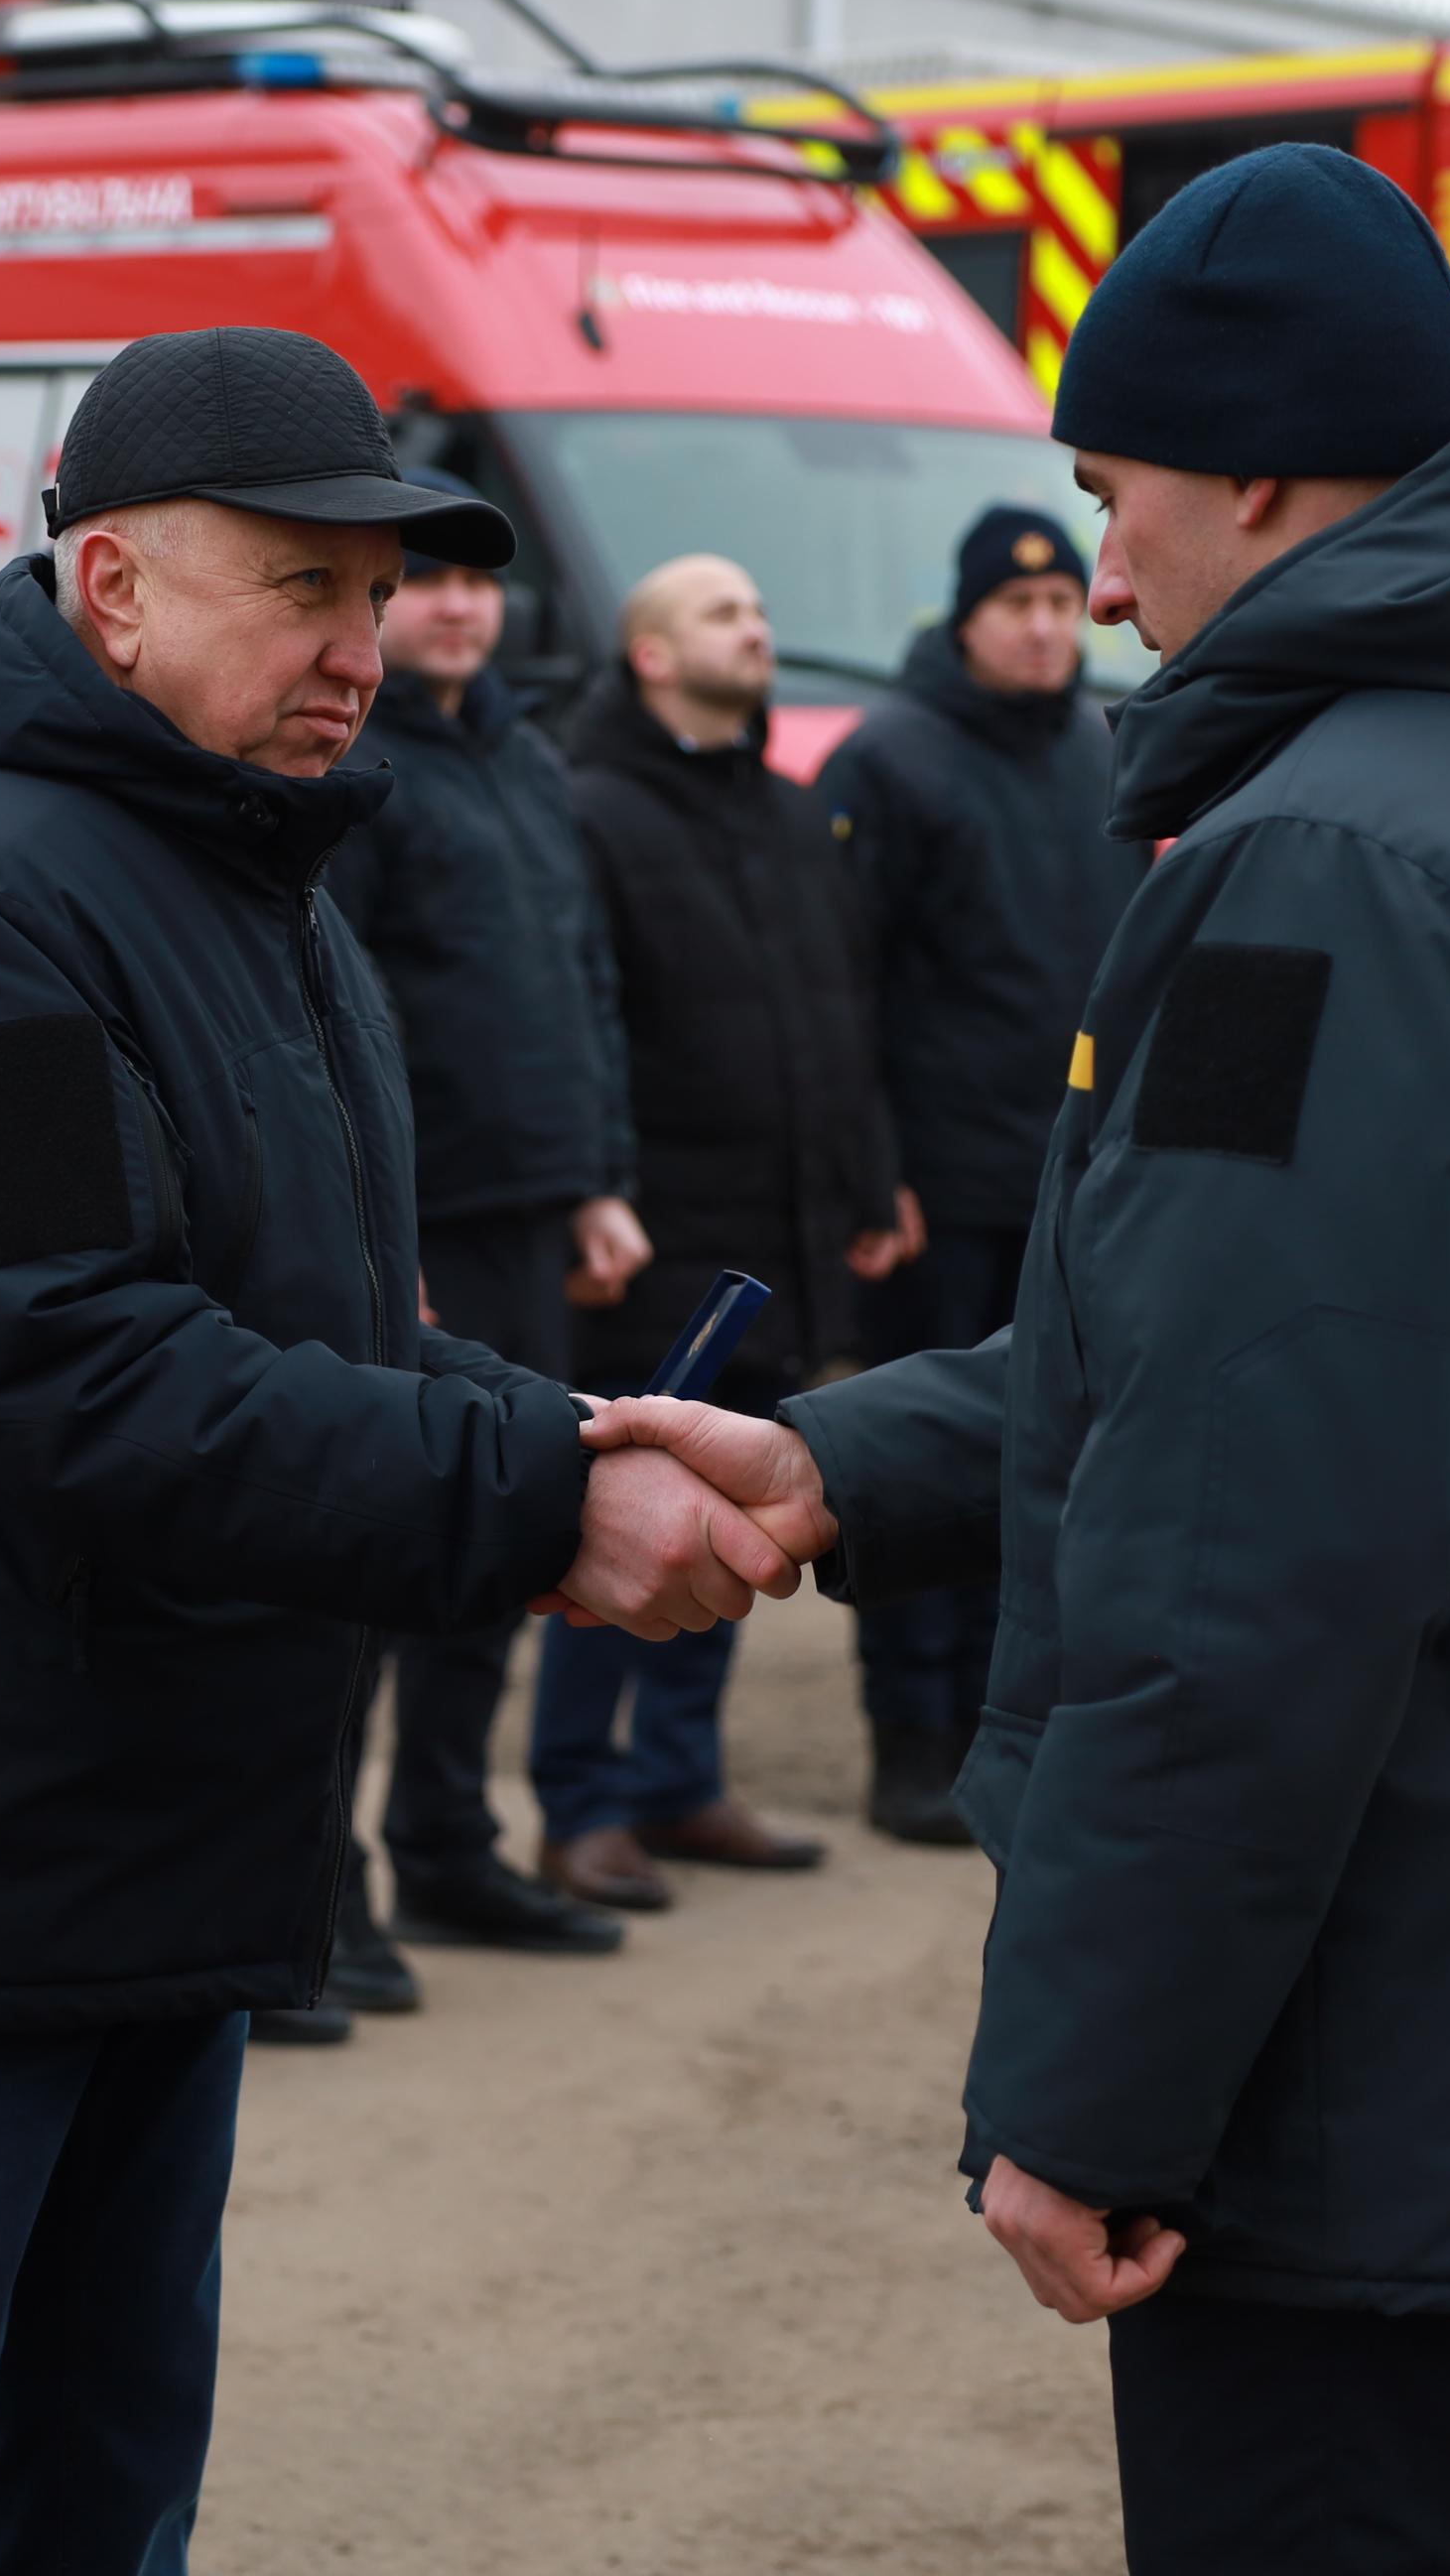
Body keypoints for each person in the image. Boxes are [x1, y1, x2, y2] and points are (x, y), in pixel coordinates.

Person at [581, 145, 1450, 2573]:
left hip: (1361, 2054)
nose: (1104, 574)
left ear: (1254, 473)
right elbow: (1283, 1367)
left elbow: (1250, 1558)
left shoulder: (1322, 875)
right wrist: (830, 1458)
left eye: (1109, 498)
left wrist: (1095, 2098)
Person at [0, 325, 805, 2575]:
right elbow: (95, 1381)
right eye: (299, 586)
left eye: (377, 597)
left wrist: (574, 1424)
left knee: (109, 2475)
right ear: (113, 593)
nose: (355, 646)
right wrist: (549, 1504)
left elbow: (330, 1333)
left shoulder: (256, 886)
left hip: (156, 1831)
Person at [310, 495, 641, 2022]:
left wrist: (598, 1181)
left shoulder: (523, 756)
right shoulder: (357, 769)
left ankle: (445, 1840)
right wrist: (392, 1239)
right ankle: (322, 1895)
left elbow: (578, 981)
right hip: (418, 1227)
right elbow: (332, 1015)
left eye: (473, 587)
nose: (454, 610)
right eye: (422, 584)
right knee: (369, 1567)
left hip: (532, 1205)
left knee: (507, 1531)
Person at [537, 553, 905, 1915]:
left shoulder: (794, 813)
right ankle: (577, 1808)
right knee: (619, 1514)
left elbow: (843, 1015)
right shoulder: (590, 812)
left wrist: (871, 1183)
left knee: (734, 1522)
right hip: (653, 1234)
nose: (756, 631)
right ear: (648, 654)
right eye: (722, 615)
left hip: (780, 1226)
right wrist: (596, 1186)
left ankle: (679, 1786)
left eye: (759, 610)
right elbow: (582, 1025)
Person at [817, 505, 1142, 1846]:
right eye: (1019, 609)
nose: (1048, 629)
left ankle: (997, 1730)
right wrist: (869, 1171)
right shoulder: (888, 761)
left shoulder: (1099, 749)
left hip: (1063, 1180)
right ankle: (909, 1739)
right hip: (935, 1183)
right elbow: (840, 993)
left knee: (1045, 1473)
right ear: (965, 620)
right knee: (917, 1468)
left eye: (1065, 606)